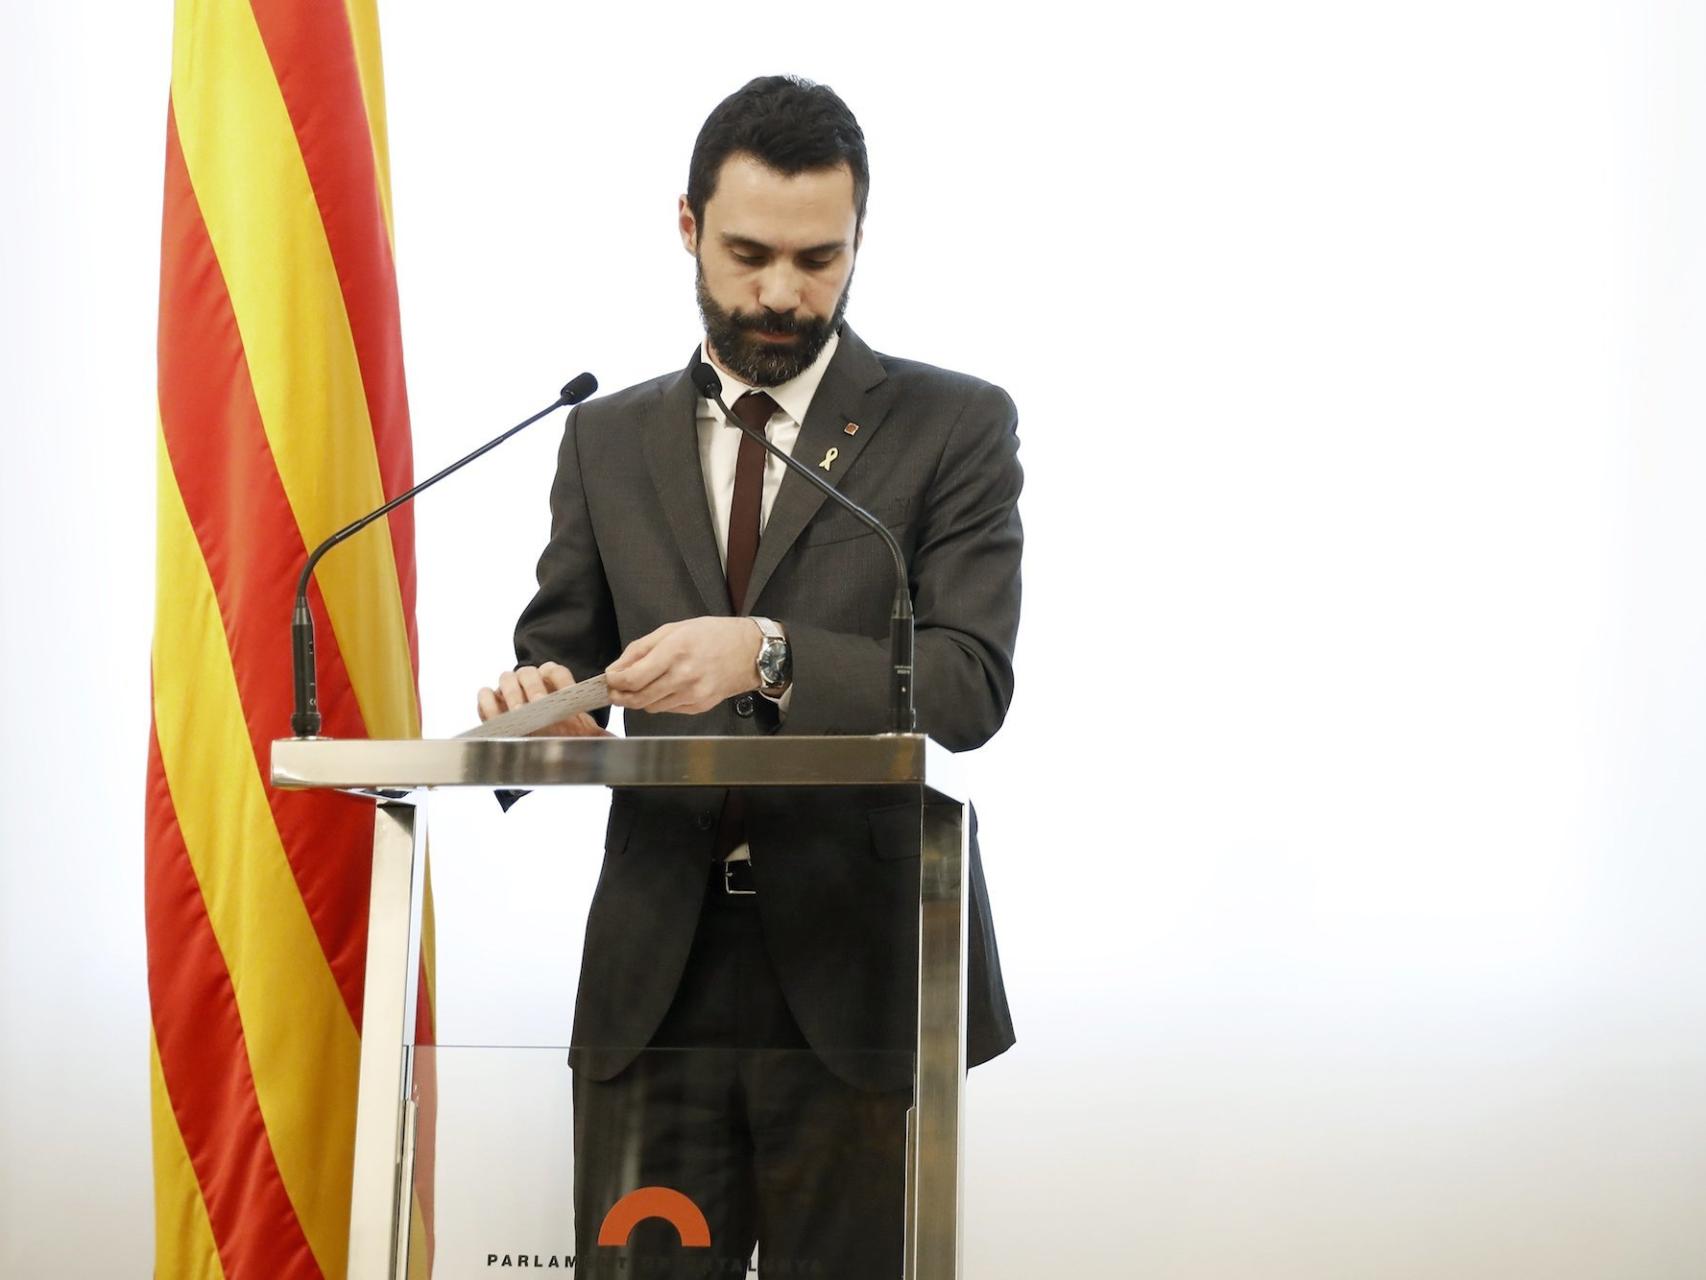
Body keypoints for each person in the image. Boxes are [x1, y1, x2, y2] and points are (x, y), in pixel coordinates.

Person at [477, 74, 1021, 1279]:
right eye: (748, 254)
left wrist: (765, 649)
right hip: (655, 974)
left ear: (858, 241)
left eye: (818, 260)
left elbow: (967, 681)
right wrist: (539, 701)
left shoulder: (952, 426)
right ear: (686, 227)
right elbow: (561, 644)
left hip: (863, 972)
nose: (781, 293)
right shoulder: (602, 437)